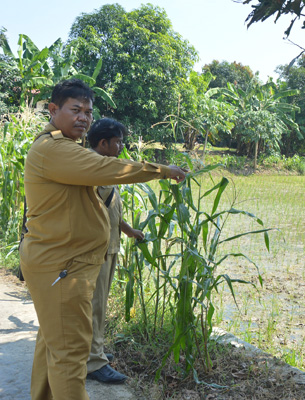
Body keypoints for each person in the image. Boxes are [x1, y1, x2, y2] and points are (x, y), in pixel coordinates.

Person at [19, 78, 186, 400]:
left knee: (53, 345)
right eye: (75, 110)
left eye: (88, 112)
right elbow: (110, 169)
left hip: (64, 262)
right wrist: (162, 169)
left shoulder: (65, 148)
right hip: (62, 265)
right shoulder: (54, 149)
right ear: (54, 110)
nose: (83, 117)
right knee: (70, 354)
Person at [85, 118, 143, 384]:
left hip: (109, 246)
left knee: (100, 303)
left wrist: (128, 230)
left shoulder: (104, 169)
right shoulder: (92, 168)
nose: (121, 146)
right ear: (103, 143)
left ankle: (93, 351)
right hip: (96, 250)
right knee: (95, 306)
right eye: (118, 141)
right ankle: (94, 363)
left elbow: (108, 208)